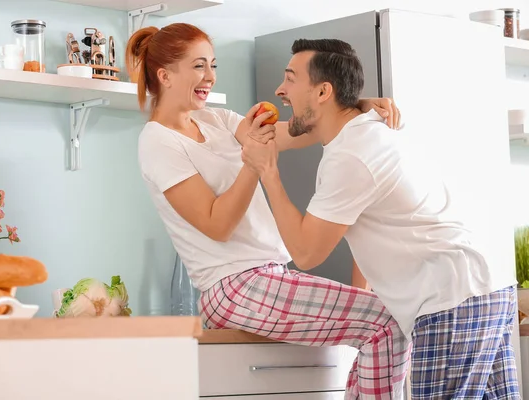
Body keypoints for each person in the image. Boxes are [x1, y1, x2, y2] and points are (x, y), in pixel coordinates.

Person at [129, 22, 408, 399]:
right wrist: (252, 163)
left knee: (387, 319)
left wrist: (352, 105)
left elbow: (303, 129)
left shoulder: (218, 120)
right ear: (165, 75)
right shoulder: (157, 143)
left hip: (268, 278)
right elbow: (217, 224)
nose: (210, 76)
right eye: (199, 66)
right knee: (387, 320)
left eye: (213, 65)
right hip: (233, 287)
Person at [240, 37, 520, 400]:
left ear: (324, 91)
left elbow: (306, 254)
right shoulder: (369, 130)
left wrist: (269, 174)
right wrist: (356, 100)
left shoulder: (351, 156)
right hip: (485, 289)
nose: (280, 90)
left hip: (451, 300)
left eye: (290, 78)